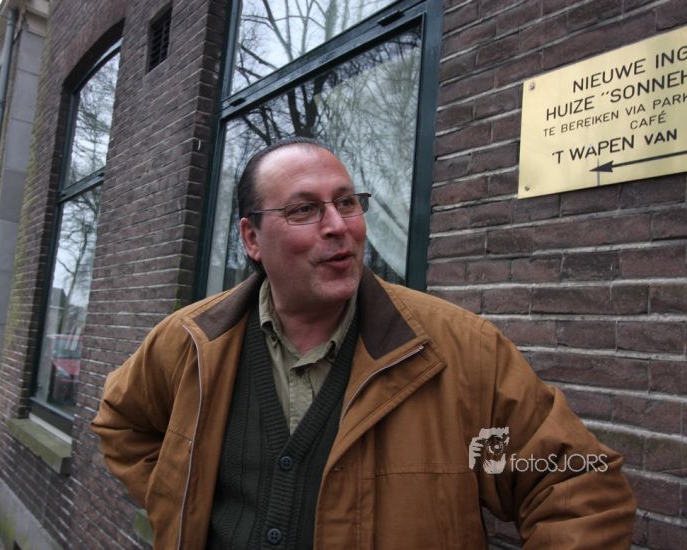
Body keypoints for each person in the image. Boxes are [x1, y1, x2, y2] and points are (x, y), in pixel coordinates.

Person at [92, 137, 636, 549]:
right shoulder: (191, 342)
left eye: (348, 203)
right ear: (252, 238)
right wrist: (180, 499)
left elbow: (580, 488)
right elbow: (121, 423)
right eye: (305, 209)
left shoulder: (459, 352)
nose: (339, 226)